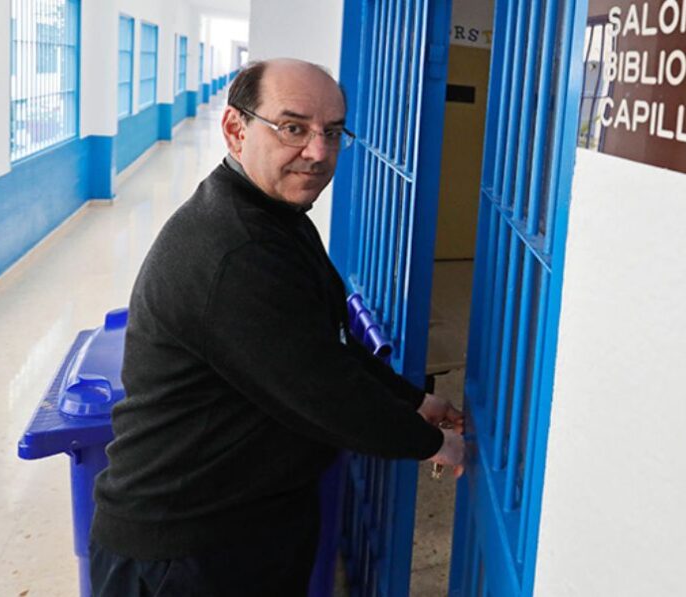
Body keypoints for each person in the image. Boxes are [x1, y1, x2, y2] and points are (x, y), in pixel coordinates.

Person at [88, 58, 466, 596]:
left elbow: (324, 344)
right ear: (235, 129)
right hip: (182, 552)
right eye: (293, 128)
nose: (317, 152)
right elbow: (321, 390)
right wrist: (436, 445)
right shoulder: (236, 249)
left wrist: (414, 402)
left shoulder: (271, 218)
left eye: (332, 133)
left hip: (237, 525)